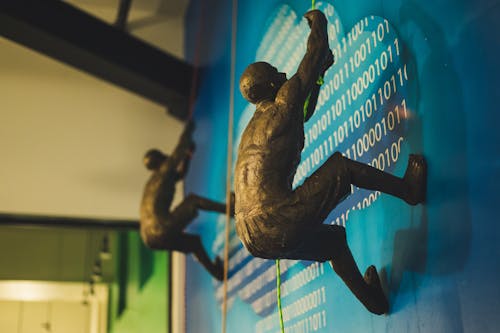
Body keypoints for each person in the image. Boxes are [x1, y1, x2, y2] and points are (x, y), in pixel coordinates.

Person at [234, 9, 426, 314]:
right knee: (341, 168)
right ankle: (409, 191)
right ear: (271, 84)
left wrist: (320, 76)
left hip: (251, 237)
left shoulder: (253, 129)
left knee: (333, 242)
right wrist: (319, 20)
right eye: (275, 72)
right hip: (276, 217)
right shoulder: (283, 100)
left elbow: (303, 113)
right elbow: (317, 49)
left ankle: (374, 301)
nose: (281, 74)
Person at [140, 121, 233, 280]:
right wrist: (189, 127)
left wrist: (188, 156)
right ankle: (231, 210)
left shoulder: (153, 182)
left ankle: (217, 273)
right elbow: (180, 148)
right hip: (162, 226)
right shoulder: (164, 169)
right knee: (192, 201)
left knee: (193, 243)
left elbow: (180, 174)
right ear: (159, 157)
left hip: (149, 238)